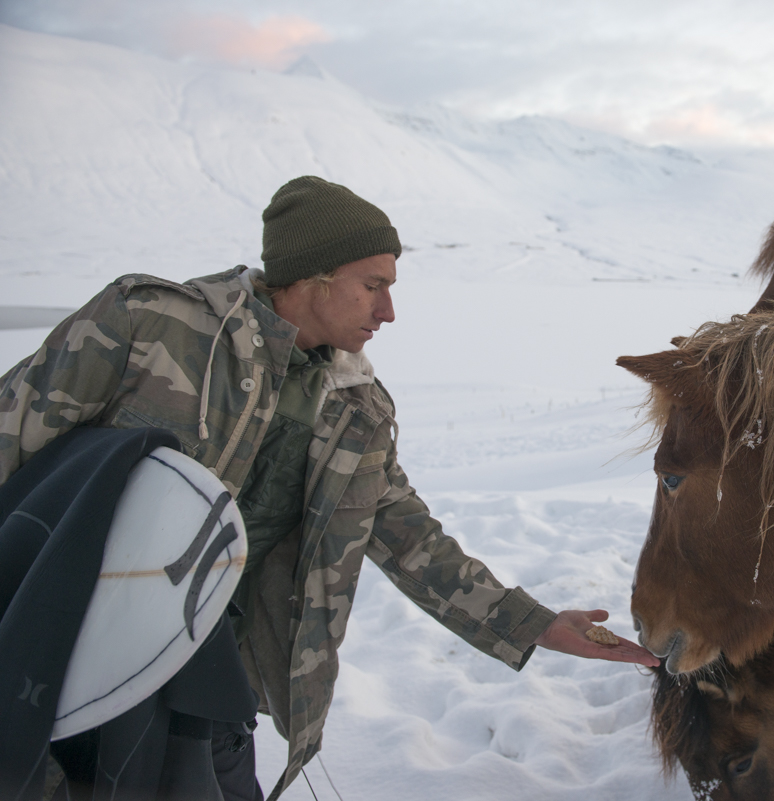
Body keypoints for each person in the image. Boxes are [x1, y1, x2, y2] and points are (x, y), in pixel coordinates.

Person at [0, 176, 658, 799]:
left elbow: (408, 537)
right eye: (373, 284)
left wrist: (537, 624)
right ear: (310, 277)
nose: (390, 310)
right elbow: (10, 437)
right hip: (62, 658)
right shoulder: (149, 326)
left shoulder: (355, 407)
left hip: (211, 680)